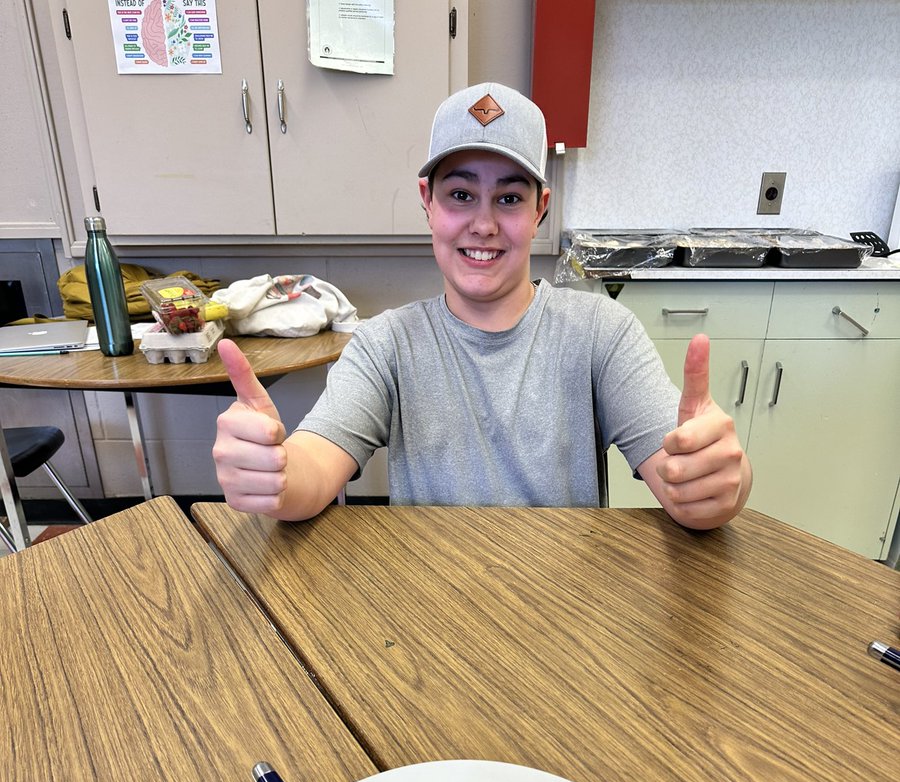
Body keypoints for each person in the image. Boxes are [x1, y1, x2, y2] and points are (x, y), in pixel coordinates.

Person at [213, 82, 751, 530]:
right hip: (435, 614)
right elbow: (313, 466)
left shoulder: (601, 333)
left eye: (510, 198)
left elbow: (681, 474)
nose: (485, 224)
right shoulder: (386, 345)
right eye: (461, 195)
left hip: (571, 611)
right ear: (428, 201)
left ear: (540, 208)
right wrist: (277, 477)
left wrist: (715, 483)